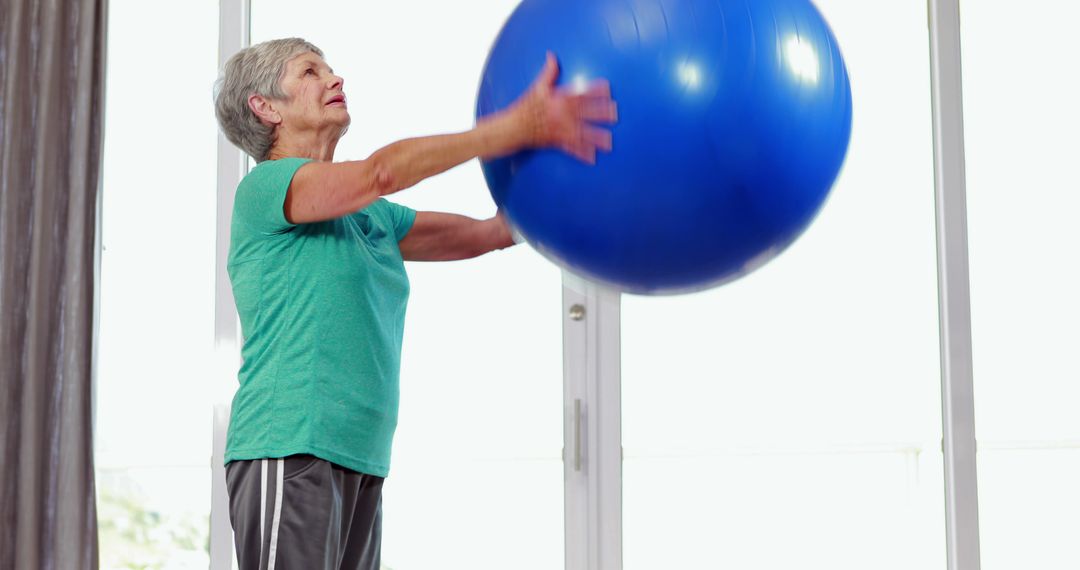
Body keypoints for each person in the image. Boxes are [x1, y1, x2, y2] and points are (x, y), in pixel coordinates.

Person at [212, 37, 616, 570]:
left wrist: (578, 192)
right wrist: (516, 126)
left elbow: (483, 235)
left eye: (331, 68)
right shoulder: (266, 188)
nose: (335, 78)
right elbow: (381, 172)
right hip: (288, 443)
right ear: (265, 108)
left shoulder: (371, 217)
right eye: (311, 71)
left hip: (359, 453)